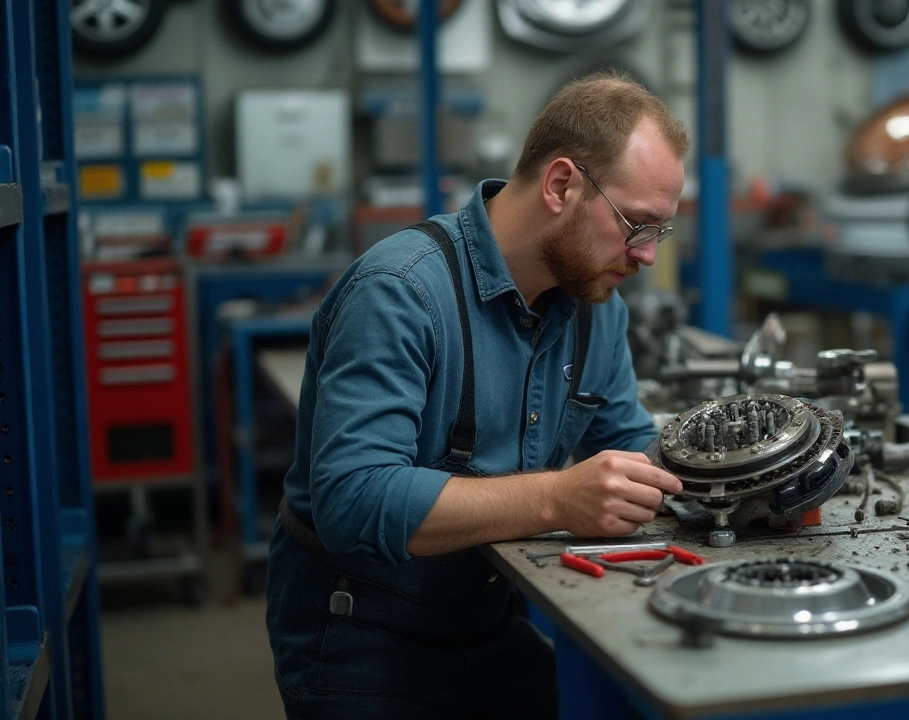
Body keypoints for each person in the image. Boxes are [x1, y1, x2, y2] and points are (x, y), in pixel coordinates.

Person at [265, 70, 689, 720]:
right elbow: (352, 498)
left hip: (488, 613)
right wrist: (556, 496)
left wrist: (725, 477)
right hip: (360, 630)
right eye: (638, 224)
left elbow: (625, 440)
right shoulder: (400, 292)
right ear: (561, 184)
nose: (647, 256)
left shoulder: (593, 306)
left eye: (659, 232)